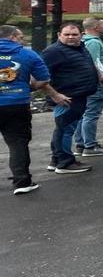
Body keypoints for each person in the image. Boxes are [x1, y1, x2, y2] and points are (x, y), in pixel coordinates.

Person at [0, 25, 70, 194]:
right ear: (14, 37)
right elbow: (43, 79)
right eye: (21, 37)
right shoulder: (27, 54)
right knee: (18, 143)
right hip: (16, 105)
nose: (23, 40)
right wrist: (27, 87)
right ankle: (22, 182)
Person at [40, 22, 98, 175]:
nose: (71, 37)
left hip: (79, 95)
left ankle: (56, 159)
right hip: (67, 98)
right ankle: (65, 162)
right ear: (59, 35)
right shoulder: (53, 52)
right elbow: (39, 76)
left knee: (64, 128)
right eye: (67, 34)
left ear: (81, 35)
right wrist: (54, 94)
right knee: (65, 129)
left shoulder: (80, 48)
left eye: (74, 34)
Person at [73, 16, 103, 156]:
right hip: (96, 83)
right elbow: (92, 62)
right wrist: (100, 77)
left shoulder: (84, 41)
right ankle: (90, 146)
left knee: (84, 114)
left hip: (87, 82)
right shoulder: (93, 43)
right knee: (91, 114)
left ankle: (81, 144)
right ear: (96, 27)